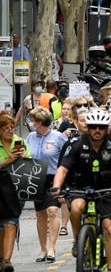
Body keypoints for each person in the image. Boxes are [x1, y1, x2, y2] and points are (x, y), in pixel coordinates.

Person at [51, 109, 111, 272]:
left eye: (101, 127)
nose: (97, 130)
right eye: (94, 127)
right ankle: (78, 239)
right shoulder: (77, 144)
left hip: (108, 190)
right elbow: (63, 168)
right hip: (81, 188)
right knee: (75, 208)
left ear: (106, 129)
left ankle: (110, 268)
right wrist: (57, 186)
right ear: (88, 128)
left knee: (110, 228)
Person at [26, 107, 67, 263]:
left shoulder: (58, 137)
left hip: (53, 178)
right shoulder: (30, 137)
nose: (31, 123)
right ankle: (42, 249)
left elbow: (66, 158)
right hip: (36, 178)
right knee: (40, 214)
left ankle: (51, 247)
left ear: (41, 121)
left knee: (52, 211)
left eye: (33, 120)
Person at [0, 115, 30, 272]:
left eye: (12, 127)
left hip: (15, 188)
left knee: (11, 222)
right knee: (1, 226)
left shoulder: (19, 141)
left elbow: (31, 165)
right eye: (6, 128)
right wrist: (8, 160)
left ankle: (6, 261)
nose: (10, 131)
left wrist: (24, 158)